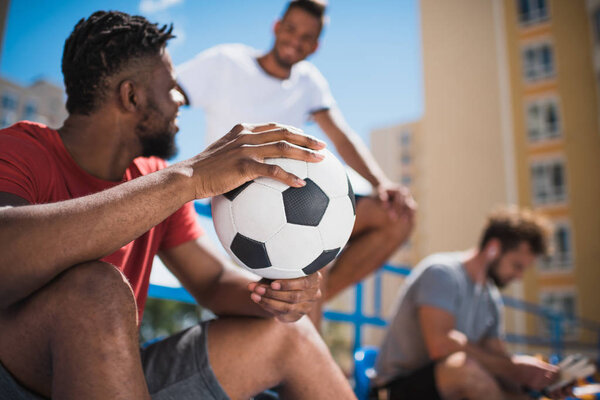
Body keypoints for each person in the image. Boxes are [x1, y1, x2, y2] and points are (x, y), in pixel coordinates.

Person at [0, 11, 357, 400]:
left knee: (290, 332)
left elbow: (213, 283)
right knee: (96, 291)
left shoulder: (152, 175)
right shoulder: (20, 149)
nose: (180, 102)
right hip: (16, 378)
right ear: (131, 96)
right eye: (171, 88)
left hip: (112, 371)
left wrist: (274, 296)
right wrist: (190, 178)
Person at [176, 0, 417, 325]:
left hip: (295, 194)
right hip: (236, 198)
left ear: (315, 46)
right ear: (276, 27)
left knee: (397, 216)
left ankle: (310, 301)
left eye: (306, 37)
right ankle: (307, 320)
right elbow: (170, 95)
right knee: (306, 263)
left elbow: (341, 135)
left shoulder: (308, 81)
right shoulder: (227, 61)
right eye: (291, 29)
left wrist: (381, 183)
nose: (295, 40)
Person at [370, 206, 573, 400]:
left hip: (447, 389)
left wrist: (536, 384)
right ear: (493, 248)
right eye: (516, 265)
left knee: (516, 391)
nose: (519, 276)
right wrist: (515, 368)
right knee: (465, 369)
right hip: (395, 390)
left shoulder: (491, 299)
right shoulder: (441, 272)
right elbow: (441, 346)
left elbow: (498, 360)